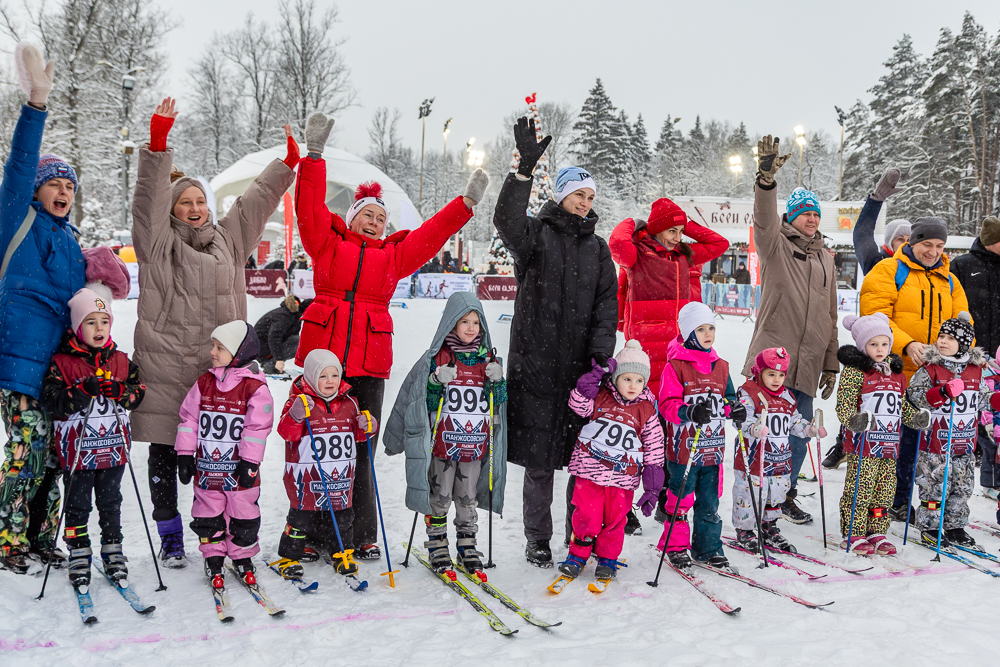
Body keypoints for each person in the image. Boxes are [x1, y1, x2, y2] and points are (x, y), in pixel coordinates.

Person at [294, 111, 489, 561]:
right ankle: (311, 534)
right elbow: (307, 207)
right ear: (353, 218)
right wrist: (315, 155)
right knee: (313, 448)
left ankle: (360, 535)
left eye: (382, 217)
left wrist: (466, 203)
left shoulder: (394, 256)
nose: (376, 222)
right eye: (368, 215)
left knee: (358, 450)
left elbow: (431, 234)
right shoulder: (327, 243)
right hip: (321, 362)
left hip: (365, 368)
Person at [131, 97, 295, 568]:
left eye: (200, 200)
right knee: (165, 457)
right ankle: (170, 535)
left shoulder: (228, 238)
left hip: (221, 373)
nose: (196, 207)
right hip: (168, 368)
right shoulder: (157, 243)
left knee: (222, 459)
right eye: (185, 202)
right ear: (174, 210)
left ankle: (219, 533)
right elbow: (148, 201)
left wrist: (287, 164)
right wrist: (159, 145)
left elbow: (256, 202)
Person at [493, 117, 617, 567]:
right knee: (540, 463)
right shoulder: (536, 235)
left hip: (580, 374)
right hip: (536, 368)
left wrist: (601, 356)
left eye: (589, 196)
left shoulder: (599, 250)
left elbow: (607, 307)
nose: (584, 203)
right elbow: (506, 220)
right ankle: (537, 538)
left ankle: (578, 536)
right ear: (560, 194)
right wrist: (522, 172)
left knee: (582, 464)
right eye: (577, 194)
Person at [0, 44, 87, 573]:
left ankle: (39, 536)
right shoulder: (16, 219)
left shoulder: (73, 245)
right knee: (25, 455)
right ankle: (7, 539)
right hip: (18, 365)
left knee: (57, 459)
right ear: (36, 190)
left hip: (61, 371)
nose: (63, 190)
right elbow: (19, 164)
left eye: (69, 185)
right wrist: (37, 102)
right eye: (54, 182)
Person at [744, 136, 839, 525]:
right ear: (792, 217)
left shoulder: (828, 260)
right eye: (804, 213)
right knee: (764, 430)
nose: (812, 219)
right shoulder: (775, 245)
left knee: (797, 433)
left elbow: (831, 313)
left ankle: (784, 496)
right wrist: (766, 182)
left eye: (816, 214)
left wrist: (830, 363)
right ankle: (751, 487)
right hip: (772, 360)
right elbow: (764, 220)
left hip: (808, 361)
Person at [384, 292, 508, 573]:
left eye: (476, 322)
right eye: (464, 321)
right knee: (439, 498)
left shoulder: (488, 358)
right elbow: (422, 400)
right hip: (443, 445)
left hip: (474, 445)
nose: (471, 328)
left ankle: (467, 545)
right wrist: (436, 381)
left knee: (467, 497)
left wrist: (498, 380)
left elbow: (497, 402)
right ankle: (437, 544)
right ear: (451, 324)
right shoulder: (437, 358)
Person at [860, 216, 969, 523]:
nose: (933, 251)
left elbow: (963, 323)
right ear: (911, 242)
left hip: (933, 378)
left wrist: (959, 351)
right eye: (926, 244)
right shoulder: (888, 271)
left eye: (939, 246)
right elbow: (875, 318)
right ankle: (888, 501)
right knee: (894, 443)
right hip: (894, 373)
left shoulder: (949, 278)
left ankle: (912, 501)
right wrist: (906, 343)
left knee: (922, 445)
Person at [41, 288, 145, 588]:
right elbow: (52, 401)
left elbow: (138, 393)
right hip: (77, 452)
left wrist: (121, 392)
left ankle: (113, 550)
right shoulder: (62, 362)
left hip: (112, 449)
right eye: (90, 322)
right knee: (77, 505)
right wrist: (82, 391)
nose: (99, 328)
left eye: (104, 321)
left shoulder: (121, 361)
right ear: (76, 326)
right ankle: (78, 551)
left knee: (111, 501)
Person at [822, 169, 910, 471]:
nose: (905, 243)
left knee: (892, 401)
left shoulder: (918, 267)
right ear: (890, 241)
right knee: (860, 394)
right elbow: (861, 233)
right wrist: (876, 200)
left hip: (902, 342)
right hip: (872, 338)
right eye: (900, 238)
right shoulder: (879, 260)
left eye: (910, 239)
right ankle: (843, 440)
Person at [175, 321, 273, 586]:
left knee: (244, 514)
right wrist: (184, 454)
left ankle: (242, 556)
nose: (213, 352)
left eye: (220, 348)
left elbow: (257, 427)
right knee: (208, 514)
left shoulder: (254, 387)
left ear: (239, 352)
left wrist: (250, 461)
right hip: (208, 467)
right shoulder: (205, 383)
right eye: (213, 346)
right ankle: (213, 556)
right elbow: (189, 418)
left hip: (239, 469)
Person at [557, 340, 664, 582]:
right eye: (627, 379)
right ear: (616, 378)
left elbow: (655, 449)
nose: (633, 386)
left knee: (616, 520)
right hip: (590, 472)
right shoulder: (601, 396)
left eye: (639, 381)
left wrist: (653, 488)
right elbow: (577, 404)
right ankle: (578, 555)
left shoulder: (647, 411)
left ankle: (607, 558)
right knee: (586, 515)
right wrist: (591, 380)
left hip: (623, 478)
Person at [272, 349, 376, 579]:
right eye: (322, 376)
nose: (330, 381)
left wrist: (368, 425)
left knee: (342, 517)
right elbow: (286, 433)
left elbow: (359, 435)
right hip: (306, 477)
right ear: (310, 376)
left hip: (339, 475)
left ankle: (341, 553)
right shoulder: (299, 401)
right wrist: (296, 416)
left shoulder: (350, 401)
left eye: (334, 375)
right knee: (300, 518)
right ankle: (289, 556)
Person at [609, 199, 729, 396]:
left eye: (681, 231)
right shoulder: (637, 253)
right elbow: (617, 244)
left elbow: (719, 243)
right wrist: (633, 223)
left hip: (676, 341)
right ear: (657, 229)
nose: (678, 237)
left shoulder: (683, 254)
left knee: (671, 399)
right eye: (672, 231)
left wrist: (685, 224)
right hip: (645, 338)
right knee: (644, 399)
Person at [657, 302, 743, 571]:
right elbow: (666, 405)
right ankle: (676, 546)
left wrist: (735, 409)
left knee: (709, 501)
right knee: (680, 498)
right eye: (701, 329)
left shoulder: (721, 366)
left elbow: (728, 400)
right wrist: (689, 411)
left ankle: (708, 548)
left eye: (711, 329)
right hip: (685, 449)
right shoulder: (676, 366)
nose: (708, 334)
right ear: (688, 333)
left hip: (712, 449)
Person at [835, 313, 929, 555]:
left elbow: (901, 405)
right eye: (873, 344)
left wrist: (915, 417)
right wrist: (855, 421)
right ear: (862, 346)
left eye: (885, 344)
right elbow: (844, 405)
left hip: (889, 443)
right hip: (863, 444)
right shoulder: (855, 372)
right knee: (861, 488)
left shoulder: (896, 374)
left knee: (885, 489)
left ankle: (877, 529)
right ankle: (854, 531)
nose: (880, 349)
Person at [906, 313, 1000, 547]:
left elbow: (982, 398)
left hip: (964, 442)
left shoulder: (975, 370)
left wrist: (995, 400)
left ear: (964, 344)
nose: (943, 341)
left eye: (950, 338)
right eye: (941, 336)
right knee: (933, 485)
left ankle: (955, 526)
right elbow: (914, 396)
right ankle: (930, 526)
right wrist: (942, 392)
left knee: (962, 486)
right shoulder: (931, 368)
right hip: (935, 444)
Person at [732, 347, 819, 554]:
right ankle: (745, 530)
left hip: (779, 460)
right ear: (759, 371)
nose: (777, 379)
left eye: (781, 375)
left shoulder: (787, 397)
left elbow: (794, 421)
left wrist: (808, 429)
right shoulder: (749, 392)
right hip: (754, 459)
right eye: (771, 374)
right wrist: (753, 428)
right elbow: (741, 419)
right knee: (749, 494)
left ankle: (768, 526)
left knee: (776, 495)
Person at [950, 216, 1000, 497]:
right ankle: (979, 468)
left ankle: (994, 477)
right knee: (976, 413)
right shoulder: (963, 265)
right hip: (972, 355)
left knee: (997, 416)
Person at [254, 294, 303, 375]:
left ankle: (272, 362)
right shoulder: (284, 316)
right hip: (262, 348)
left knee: (298, 341)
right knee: (297, 342)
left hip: (265, 346)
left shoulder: (294, 315)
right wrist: (279, 359)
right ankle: (270, 364)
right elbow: (274, 337)